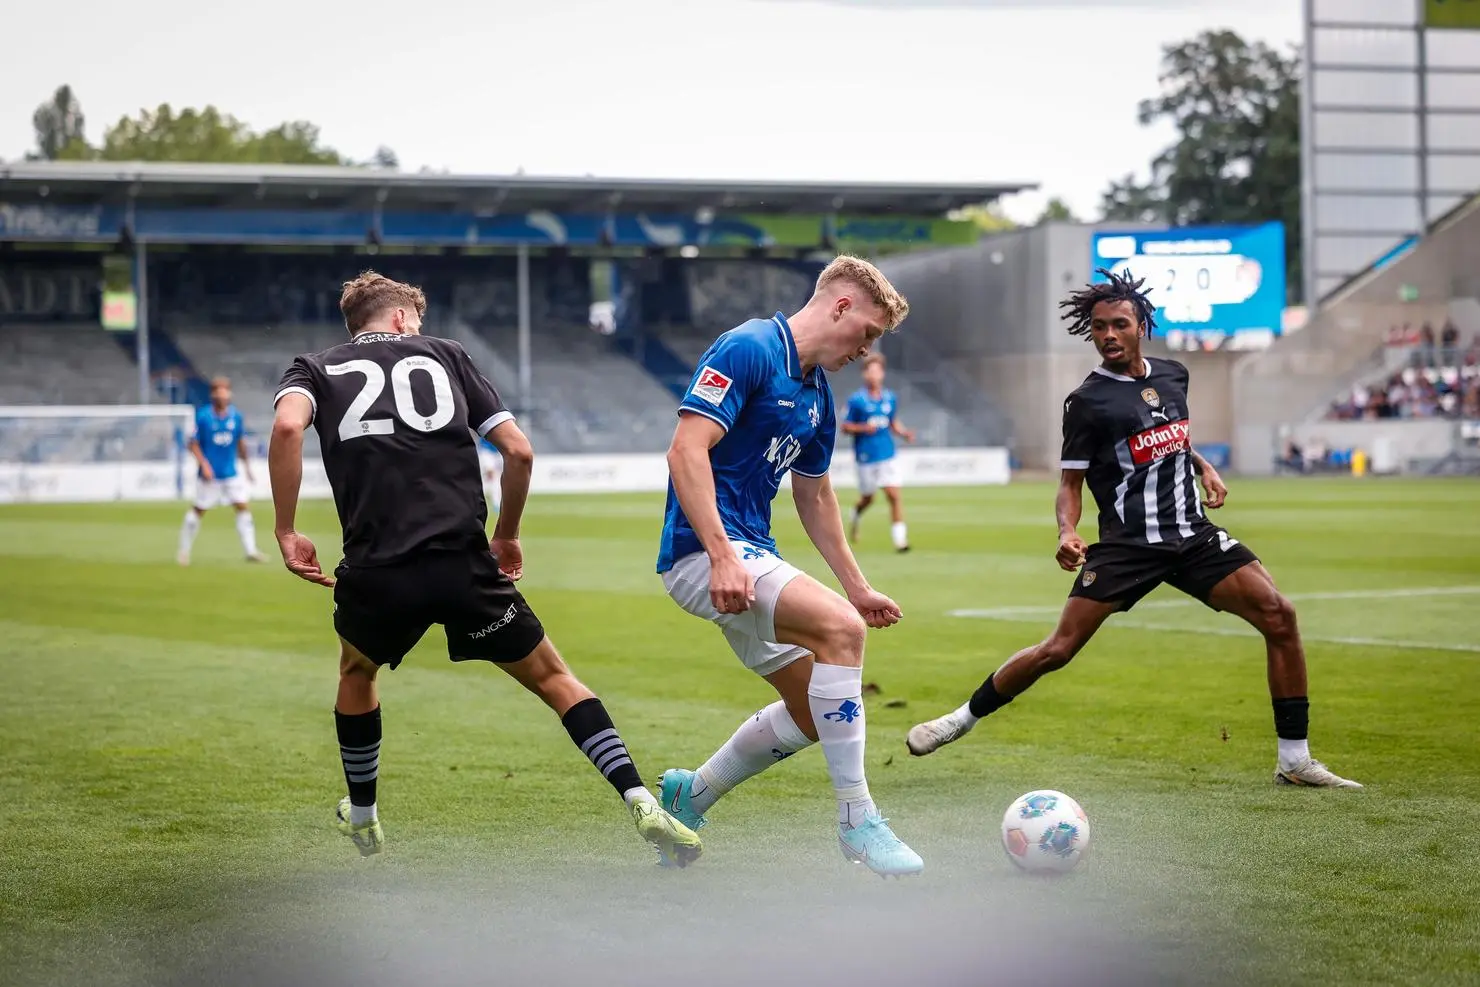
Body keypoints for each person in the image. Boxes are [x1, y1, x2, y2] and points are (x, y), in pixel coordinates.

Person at [268, 271, 702, 863]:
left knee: (357, 672)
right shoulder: (446, 355)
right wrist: (507, 534)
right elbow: (519, 451)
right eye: (414, 322)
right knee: (555, 679)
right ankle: (639, 798)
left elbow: (289, 425)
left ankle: (364, 816)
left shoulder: (313, 367)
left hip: (377, 570)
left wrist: (288, 528)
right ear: (399, 320)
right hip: (463, 562)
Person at [905, 269, 1361, 789]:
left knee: (1280, 616)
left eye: (1119, 324)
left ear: (1141, 324)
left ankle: (1295, 761)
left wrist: (1201, 465)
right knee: (1058, 650)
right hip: (1128, 546)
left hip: (1191, 534)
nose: (1108, 336)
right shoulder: (1087, 402)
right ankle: (958, 720)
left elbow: (1171, 434)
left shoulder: (1173, 375)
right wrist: (1065, 531)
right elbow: (1070, 483)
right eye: (1099, 327)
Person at [654, 256, 925, 878]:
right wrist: (721, 554)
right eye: (869, 332)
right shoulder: (749, 347)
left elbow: (816, 496)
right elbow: (685, 450)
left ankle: (690, 795)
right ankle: (858, 821)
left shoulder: (817, 397)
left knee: (812, 713)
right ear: (841, 307)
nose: (866, 349)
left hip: (748, 556)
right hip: (704, 554)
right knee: (841, 634)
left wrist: (856, 586)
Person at [177, 376, 265, 565]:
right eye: (218, 391)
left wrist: (247, 467)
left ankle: (251, 550)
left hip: (230, 473)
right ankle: (184, 552)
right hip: (210, 476)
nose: (222, 395)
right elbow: (192, 444)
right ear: (212, 394)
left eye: (225, 391)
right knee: (199, 510)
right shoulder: (203, 416)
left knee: (242, 506)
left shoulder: (236, 416)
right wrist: (204, 465)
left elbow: (240, 442)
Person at [843, 353, 916, 551]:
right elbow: (845, 427)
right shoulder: (857, 400)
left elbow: (892, 422)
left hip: (887, 453)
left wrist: (904, 433)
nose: (873, 374)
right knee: (868, 498)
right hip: (866, 456)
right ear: (864, 374)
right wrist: (863, 428)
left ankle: (900, 541)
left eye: (877, 370)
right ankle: (856, 513)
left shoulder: (890, 398)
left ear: (882, 373)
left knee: (893, 495)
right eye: (870, 370)